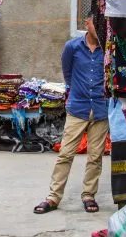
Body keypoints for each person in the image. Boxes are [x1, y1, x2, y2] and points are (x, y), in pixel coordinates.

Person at [34, 12, 109, 214]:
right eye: (95, 22)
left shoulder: (108, 49)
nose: (99, 27)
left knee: (95, 156)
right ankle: (53, 197)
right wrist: (77, 91)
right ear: (87, 23)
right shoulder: (72, 47)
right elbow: (67, 73)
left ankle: (88, 195)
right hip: (78, 108)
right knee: (65, 153)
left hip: (101, 109)